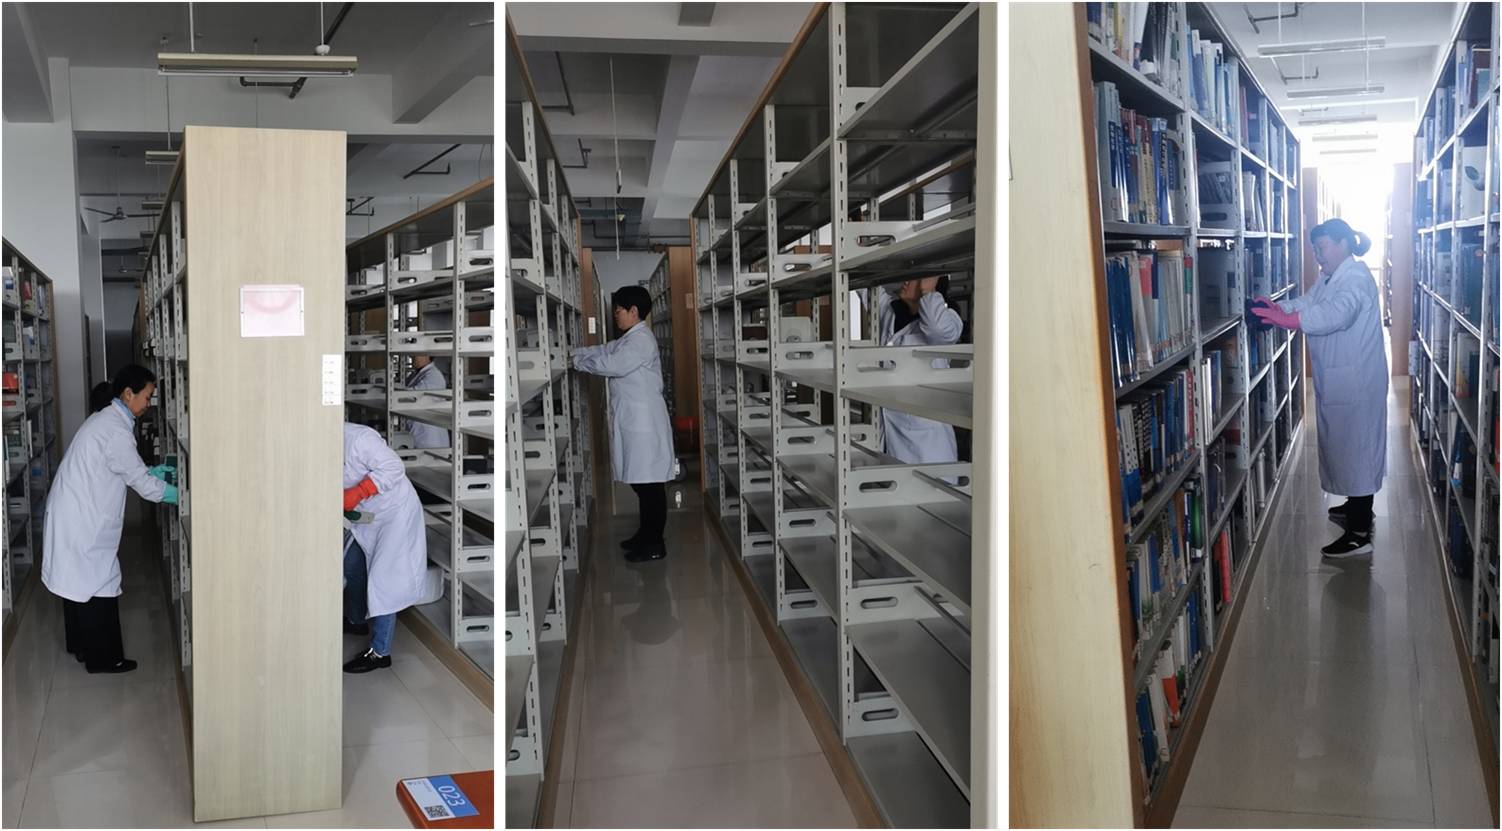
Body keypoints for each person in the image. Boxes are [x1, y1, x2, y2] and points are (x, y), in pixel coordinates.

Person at [1251, 218, 1388, 559]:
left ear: (1343, 244)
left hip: (1358, 383)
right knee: (1345, 448)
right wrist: (1279, 310)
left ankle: (1359, 533)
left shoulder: (1355, 278)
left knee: (1358, 451)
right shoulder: (1330, 277)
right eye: (1315, 249)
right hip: (1342, 380)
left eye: (1322, 247)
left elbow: (1336, 314)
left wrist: (1290, 321)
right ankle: (1355, 506)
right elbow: (1310, 302)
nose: (1317, 255)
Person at [42, 364, 178, 674]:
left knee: (78, 582)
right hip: (81, 518)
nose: (148, 404)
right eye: (147, 397)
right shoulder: (116, 430)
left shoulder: (105, 419)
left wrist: (151, 473)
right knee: (97, 584)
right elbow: (141, 483)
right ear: (129, 394)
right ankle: (104, 659)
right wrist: (180, 494)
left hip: (73, 512)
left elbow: (123, 468)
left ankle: (81, 647)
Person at [571, 285, 673, 563]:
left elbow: (612, 365)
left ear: (633, 311)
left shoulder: (641, 341)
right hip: (635, 421)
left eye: (618, 310)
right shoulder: (630, 338)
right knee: (642, 484)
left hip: (644, 422)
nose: (616, 315)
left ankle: (654, 544)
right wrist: (576, 353)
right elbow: (606, 350)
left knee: (650, 486)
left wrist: (578, 363)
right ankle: (645, 534)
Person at [341, 421, 427, 672]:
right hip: (367, 516)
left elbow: (393, 467)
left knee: (383, 580)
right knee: (352, 564)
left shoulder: (358, 438)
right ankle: (356, 621)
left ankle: (380, 652)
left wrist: (359, 492)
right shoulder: (314, 446)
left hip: (394, 513)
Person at [873, 276, 965, 464]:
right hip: (890, 440)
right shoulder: (891, 312)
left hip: (927, 449)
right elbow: (867, 289)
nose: (906, 280)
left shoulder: (948, 318)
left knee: (924, 482)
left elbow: (938, 329)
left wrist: (928, 290)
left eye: (915, 278)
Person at [404, 355, 449, 449]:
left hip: (430, 437)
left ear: (428, 356)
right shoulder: (416, 374)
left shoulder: (433, 376)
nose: (413, 357)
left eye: (417, 355)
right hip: (419, 431)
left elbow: (412, 395)